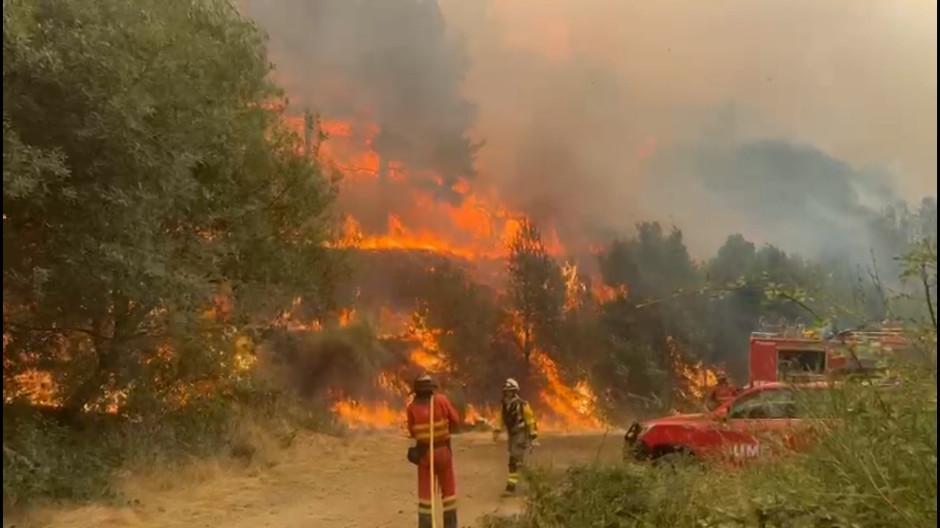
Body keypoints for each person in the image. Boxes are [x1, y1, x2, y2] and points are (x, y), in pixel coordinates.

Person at [406, 374, 461, 528]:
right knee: (448, 491)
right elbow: (456, 420)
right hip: (443, 452)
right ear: (431, 389)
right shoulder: (441, 401)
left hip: (424, 455)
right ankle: (450, 525)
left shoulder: (411, 408)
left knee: (425, 496)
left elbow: (412, 431)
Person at [499, 377, 539, 495]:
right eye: (506, 391)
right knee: (517, 461)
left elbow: (530, 420)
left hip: (520, 435)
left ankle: (511, 487)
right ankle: (535, 480)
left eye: (509, 391)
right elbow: (501, 418)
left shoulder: (522, 405)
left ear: (514, 392)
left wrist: (533, 437)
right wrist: (497, 429)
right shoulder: (504, 405)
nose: (507, 393)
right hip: (512, 436)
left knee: (514, 460)